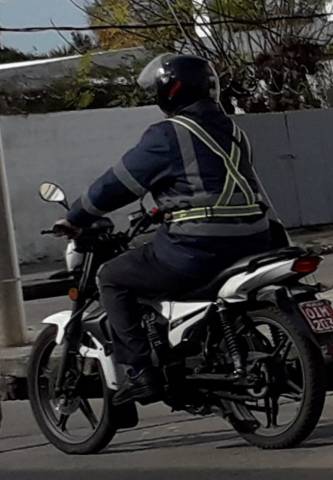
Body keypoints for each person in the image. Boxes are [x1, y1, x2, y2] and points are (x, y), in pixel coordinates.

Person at [54, 53, 288, 405]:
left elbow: (117, 183)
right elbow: (218, 184)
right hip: (254, 240)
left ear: (170, 90)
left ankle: (140, 373)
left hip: (197, 249)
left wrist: (75, 217)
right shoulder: (235, 132)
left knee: (112, 277)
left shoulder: (168, 134)